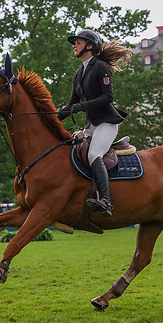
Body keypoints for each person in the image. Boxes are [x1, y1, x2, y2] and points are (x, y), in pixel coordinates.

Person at [58, 29, 130, 216]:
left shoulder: (100, 67)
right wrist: (51, 118)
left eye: (78, 42)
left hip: (106, 122)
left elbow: (107, 97)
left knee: (93, 155)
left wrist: (82, 107)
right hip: (91, 124)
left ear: (89, 46)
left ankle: (106, 201)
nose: (74, 45)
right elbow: (71, 104)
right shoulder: (78, 73)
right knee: (73, 153)